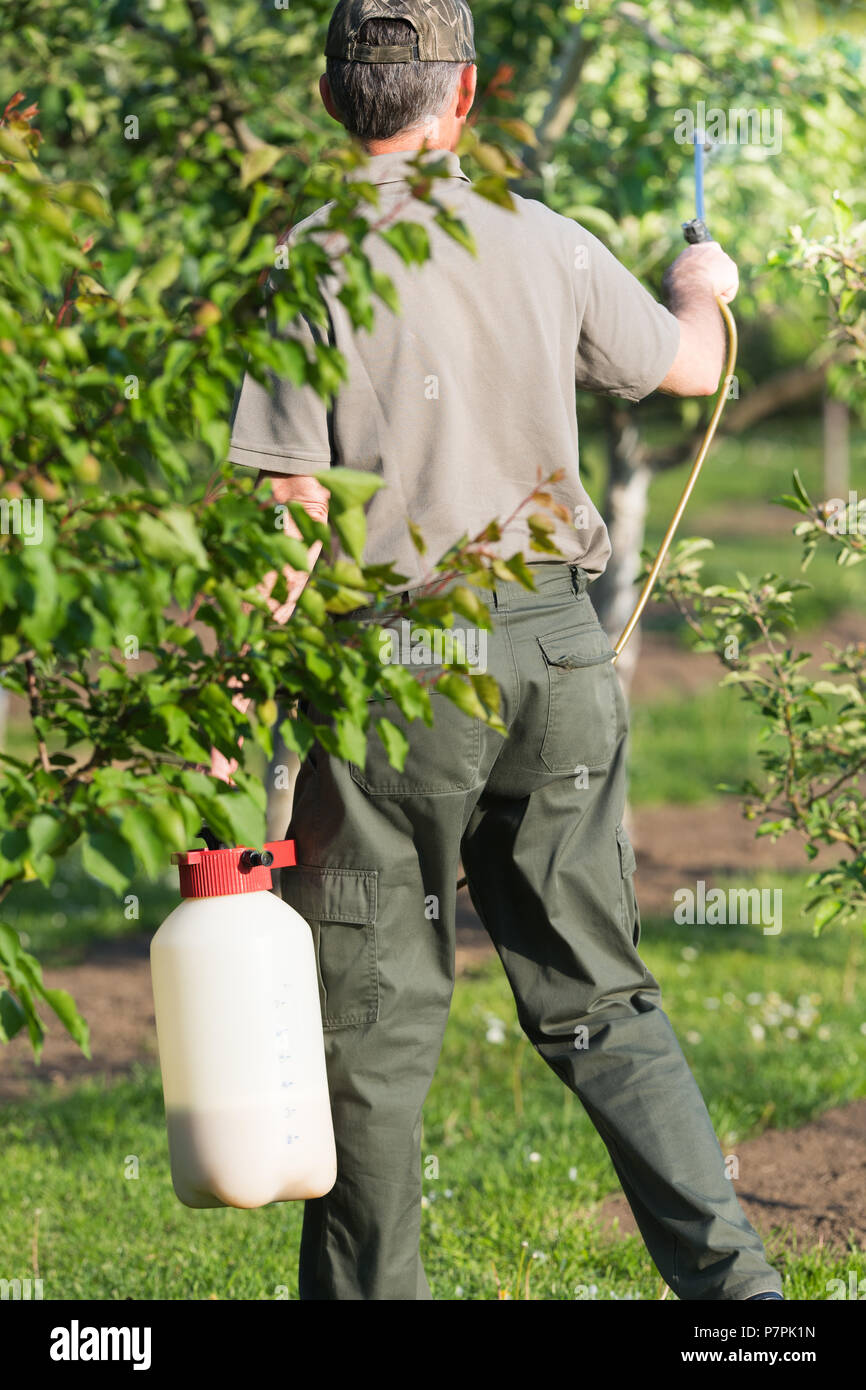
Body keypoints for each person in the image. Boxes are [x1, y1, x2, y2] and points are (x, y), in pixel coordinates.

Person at [225, 0, 784, 1302]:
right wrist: (700, 287)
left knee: (372, 1028)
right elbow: (690, 367)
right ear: (461, 95)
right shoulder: (543, 238)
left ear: (325, 98)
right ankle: (739, 1298)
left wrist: (233, 704)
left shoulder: (301, 262)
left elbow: (289, 519)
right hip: (555, 653)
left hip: (392, 675)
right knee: (603, 999)